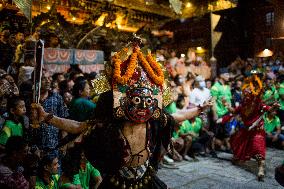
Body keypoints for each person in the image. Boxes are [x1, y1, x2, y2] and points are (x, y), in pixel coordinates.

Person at [32, 38, 205, 189]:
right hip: (116, 183)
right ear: (123, 101)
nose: (142, 106)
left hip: (146, 180)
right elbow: (79, 126)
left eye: (147, 101)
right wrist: (47, 117)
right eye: (137, 100)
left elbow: (177, 117)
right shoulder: (110, 123)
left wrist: (198, 109)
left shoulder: (153, 120)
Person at [229, 73, 279, 181]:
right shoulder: (242, 105)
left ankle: (261, 169)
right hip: (246, 130)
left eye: (248, 91)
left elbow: (268, 109)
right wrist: (227, 105)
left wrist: (273, 107)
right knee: (236, 142)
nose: (246, 93)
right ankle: (237, 158)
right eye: (245, 92)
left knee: (258, 149)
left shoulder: (258, 103)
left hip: (257, 131)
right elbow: (233, 111)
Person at [211, 68, 232, 152]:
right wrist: (215, 114)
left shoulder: (227, 86)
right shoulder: (215, 87)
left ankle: (228, 147)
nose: (228, 76)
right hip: (218, 113)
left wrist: (230, 111)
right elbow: (213, 102)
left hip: (226, 113)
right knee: (214, 133)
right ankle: (212, 150)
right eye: (227, 74)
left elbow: (229, 100)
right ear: (221, 75)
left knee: (226, 131)